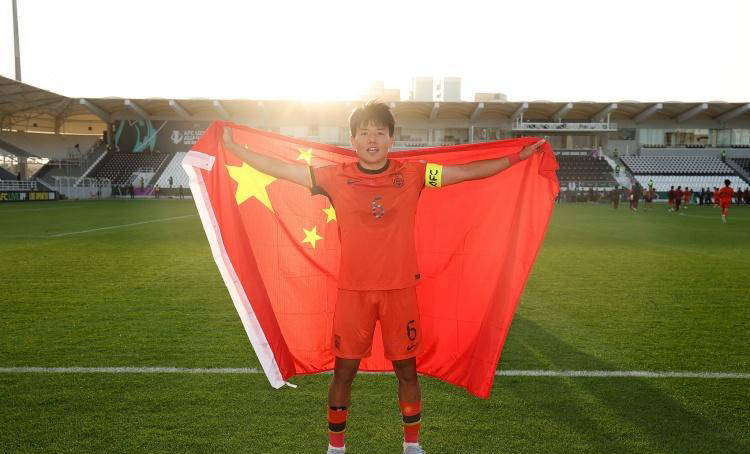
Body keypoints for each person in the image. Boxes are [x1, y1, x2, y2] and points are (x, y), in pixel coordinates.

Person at [220, 101, 545, 454]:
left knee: (407, 372)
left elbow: (465, 173)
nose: (372, 139)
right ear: (352, 139)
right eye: (364, 133)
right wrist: (236, 149)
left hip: (400, 292)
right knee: (343, 373)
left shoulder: (415, 174)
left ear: (391, 138)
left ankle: (411, 445)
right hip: (354, 294)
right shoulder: (333, 176)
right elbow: (283, 169)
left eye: (379, 132)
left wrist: (517, 158)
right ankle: (336, 448)